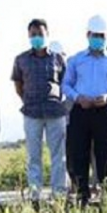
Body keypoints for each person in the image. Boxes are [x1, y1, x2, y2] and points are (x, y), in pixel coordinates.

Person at [62, 15, 107, 205]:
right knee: (79, 152)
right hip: (80, 110)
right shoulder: (75, 60)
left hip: (103, 111)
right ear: (87, 35)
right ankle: (83, 194)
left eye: (101, 35)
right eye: (94, 35)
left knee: (105, 153)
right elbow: (66, 85)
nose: (98, 39)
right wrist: (77, 97)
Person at [12, 19, 67, 202]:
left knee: (58, 154)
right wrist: (27, 100)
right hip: (31, 112)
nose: (37, 37)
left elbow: (65, 82)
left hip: (55, 112)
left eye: (40, 34)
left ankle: (59, 192)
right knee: (33, 155)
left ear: (47, 34)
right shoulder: (21, 59)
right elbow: (18, 84)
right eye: (33, 34)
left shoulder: (58, 58)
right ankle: (34, 194)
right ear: (28, 36)